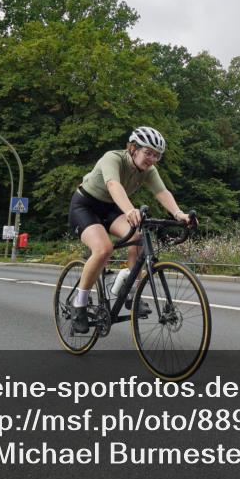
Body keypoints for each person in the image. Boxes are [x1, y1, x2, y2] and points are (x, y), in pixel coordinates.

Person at [67, 126, 193, 334]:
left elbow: (162, 192)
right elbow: (113, 185)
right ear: (133, 148)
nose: (152, 159)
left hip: (110, 208)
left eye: (157, 155)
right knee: (103, 249)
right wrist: (129, 210)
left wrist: (179, 214)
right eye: (148, 153)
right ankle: (78, 304)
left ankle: (131, 293)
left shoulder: (149, 170)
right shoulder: (112, 158)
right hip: (85, 206)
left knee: (139, 238)